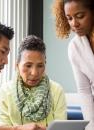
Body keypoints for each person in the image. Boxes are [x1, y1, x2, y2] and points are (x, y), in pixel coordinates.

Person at [0, 35, 67, 127]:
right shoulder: (5, 91)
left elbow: (61, 128)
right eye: (28, 65)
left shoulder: (56, 90)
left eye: (40, 66)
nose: (34, 73)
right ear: (17, 66)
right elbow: (3, 128)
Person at [52, 0, 94, 129]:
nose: (74, 24)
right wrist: (91, 126)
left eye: (80, 16)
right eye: (69, 18)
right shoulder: (74, 47)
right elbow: (84, 90)